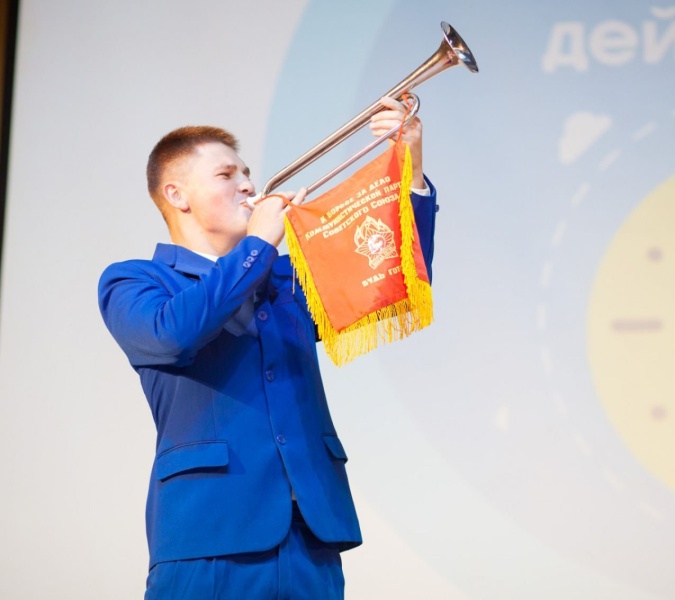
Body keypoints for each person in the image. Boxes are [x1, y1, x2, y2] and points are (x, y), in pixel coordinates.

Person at [97, 97, 437, 599]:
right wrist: (256, 248)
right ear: (177, 194)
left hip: (310, 536)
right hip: (209, 536)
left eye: (247, 174)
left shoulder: (283, 277)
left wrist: (412, 168)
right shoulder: (134, 280)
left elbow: (392, 273)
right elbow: (173, 335)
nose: (247, 185)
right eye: (226, 174)